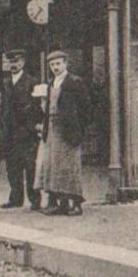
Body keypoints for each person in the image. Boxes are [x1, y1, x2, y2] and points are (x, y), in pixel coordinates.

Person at [40, 50, 89, 215]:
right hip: (53, 129)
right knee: (53, 167)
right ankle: (59, 203)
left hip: (69, 130)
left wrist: (78, 127)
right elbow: (48, 108)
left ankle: (76, 203)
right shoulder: (50, 83)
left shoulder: (74, 82)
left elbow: (85, 107)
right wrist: (45, 128)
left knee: (70, 167)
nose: (55, 67)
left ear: (66, 64)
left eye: (58, 64)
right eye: (52, 65)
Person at [0, 49, 41, 210]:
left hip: (26, 131)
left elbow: (36, 107)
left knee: (30, 166)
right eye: (11, 62)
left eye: (17, 62)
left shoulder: (31, 82)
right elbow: (4, 107)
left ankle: (35, 199)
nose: (14, 65)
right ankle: (15, 198)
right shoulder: (6, 82)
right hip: (9, 131)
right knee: (12, 167)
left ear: (23, 63)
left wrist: (30, 125)